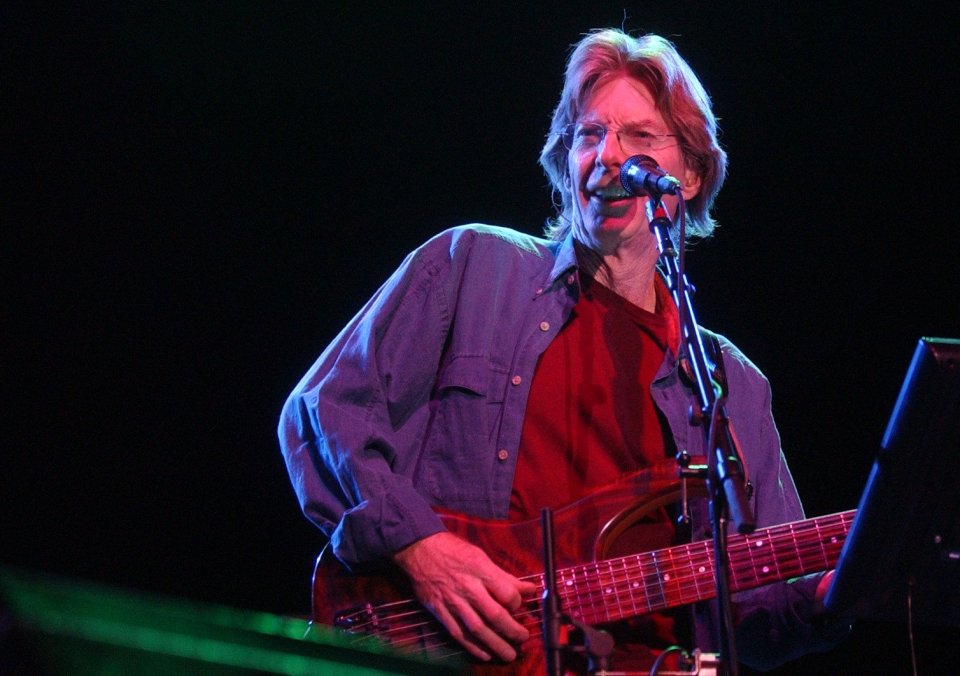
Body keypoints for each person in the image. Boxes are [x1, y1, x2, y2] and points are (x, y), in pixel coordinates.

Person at [279, 28, 848, 673]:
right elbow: (323, 412)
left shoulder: (729, 384)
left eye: (639, 137)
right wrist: (421, 549)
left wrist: (839, 589)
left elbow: (760, 613)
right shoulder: (472, 266)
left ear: (689, 175)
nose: (608, 155)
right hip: (439, 647)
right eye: (588, 133)